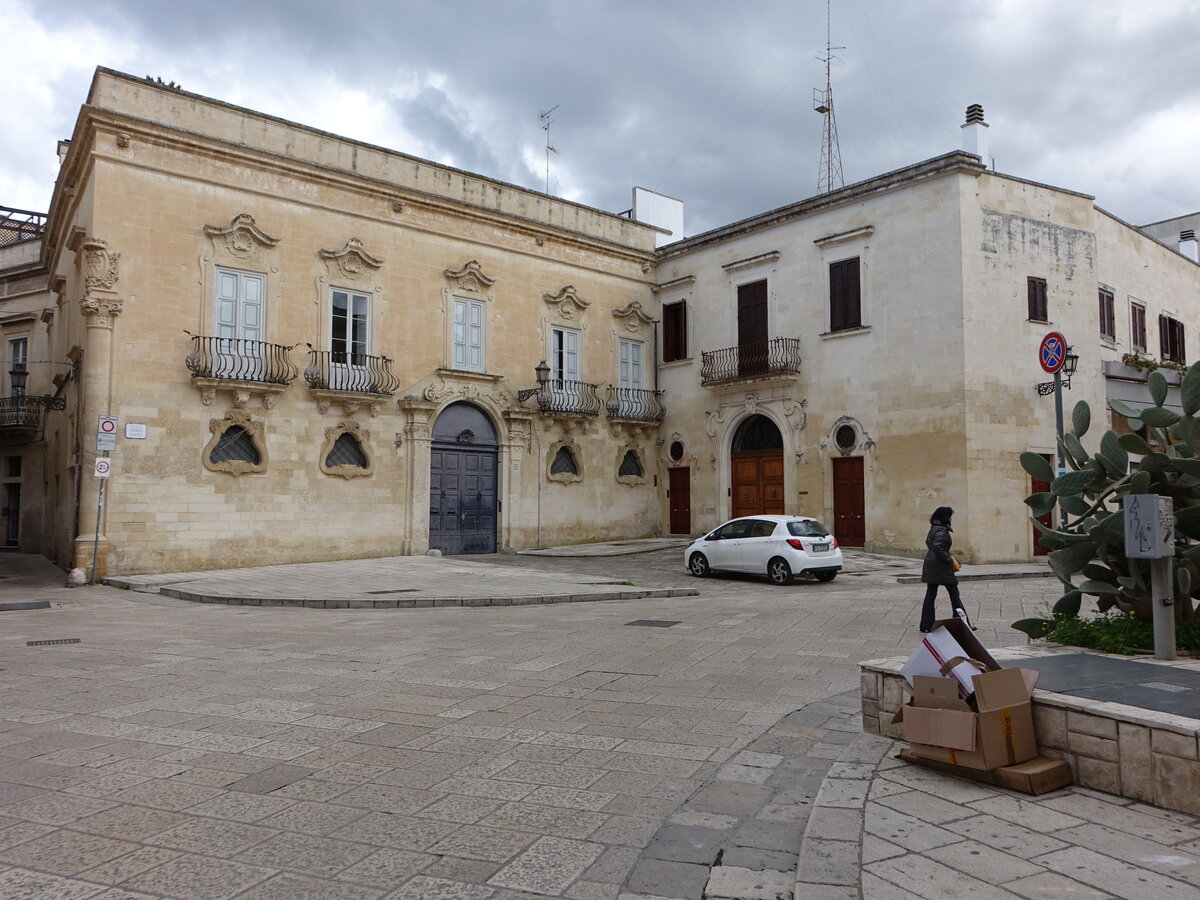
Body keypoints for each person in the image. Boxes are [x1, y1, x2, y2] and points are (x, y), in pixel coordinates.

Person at [919, 506, 971, 632]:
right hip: (941, 566)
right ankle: (963, 624)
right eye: (950, 516)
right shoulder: (942, 530)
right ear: (946, 517)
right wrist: (949, 559)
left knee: (930, 595)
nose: (951, 518)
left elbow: (929, 542)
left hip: (931, 564)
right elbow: (938, 547)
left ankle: (926, 625)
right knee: (954, 594)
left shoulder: (934, 528)